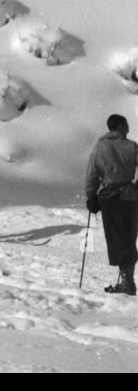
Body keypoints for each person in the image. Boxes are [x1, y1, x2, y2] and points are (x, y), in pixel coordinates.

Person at [85, 114, 138, 295]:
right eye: (127, 126)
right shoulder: (132, 146)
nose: (129, 130)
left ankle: (127, 282)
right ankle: (127, 279)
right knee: (130, 239)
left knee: (118, 240)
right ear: (121, 126)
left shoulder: (99, 148)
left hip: (110, 200)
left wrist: (91, 196)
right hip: (131, 198)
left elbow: (92, 173)